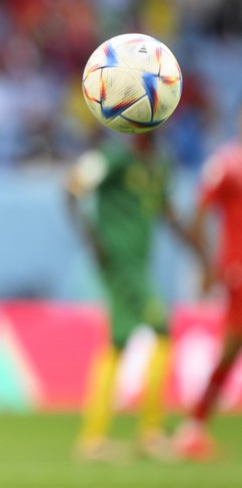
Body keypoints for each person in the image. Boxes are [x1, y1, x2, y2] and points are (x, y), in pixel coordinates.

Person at [65, 132, 206, 463]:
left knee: (118, 342)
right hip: (119, 262)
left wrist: (201, 255)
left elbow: (170, 216)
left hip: (139, 265)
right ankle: (150, 433)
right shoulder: (113, 158)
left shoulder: (159, 165)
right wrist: (92, 241)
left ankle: (93, 437)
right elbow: (70, 190)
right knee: (162, 329)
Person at [173, 109, 242, 461]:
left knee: (231, 352)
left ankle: (194, 426)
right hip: (238, 271)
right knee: (231, 348)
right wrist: (202, 264)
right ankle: (193, 427)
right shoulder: (226, 164)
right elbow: (200, 212)